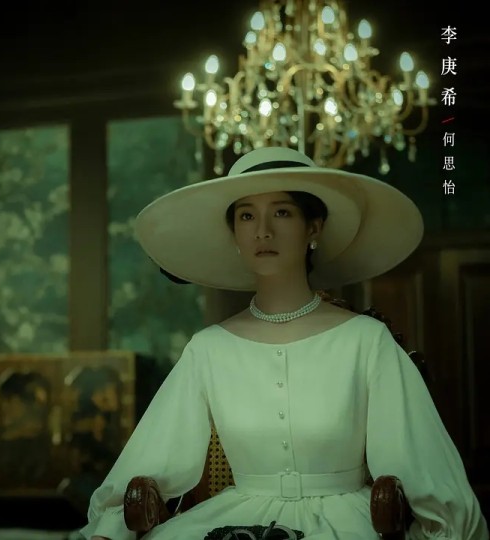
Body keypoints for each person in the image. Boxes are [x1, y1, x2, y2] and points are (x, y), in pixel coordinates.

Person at [79, 147, 489, 540]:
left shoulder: (365, 340)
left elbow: (420, 466)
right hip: (231, 519)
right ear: (235, 234)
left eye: (282, 212)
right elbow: (150, 460)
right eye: (246, 215)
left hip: (346, 522)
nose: (263, 230)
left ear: (314, 227)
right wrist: (109, 530)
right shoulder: (208, 349)